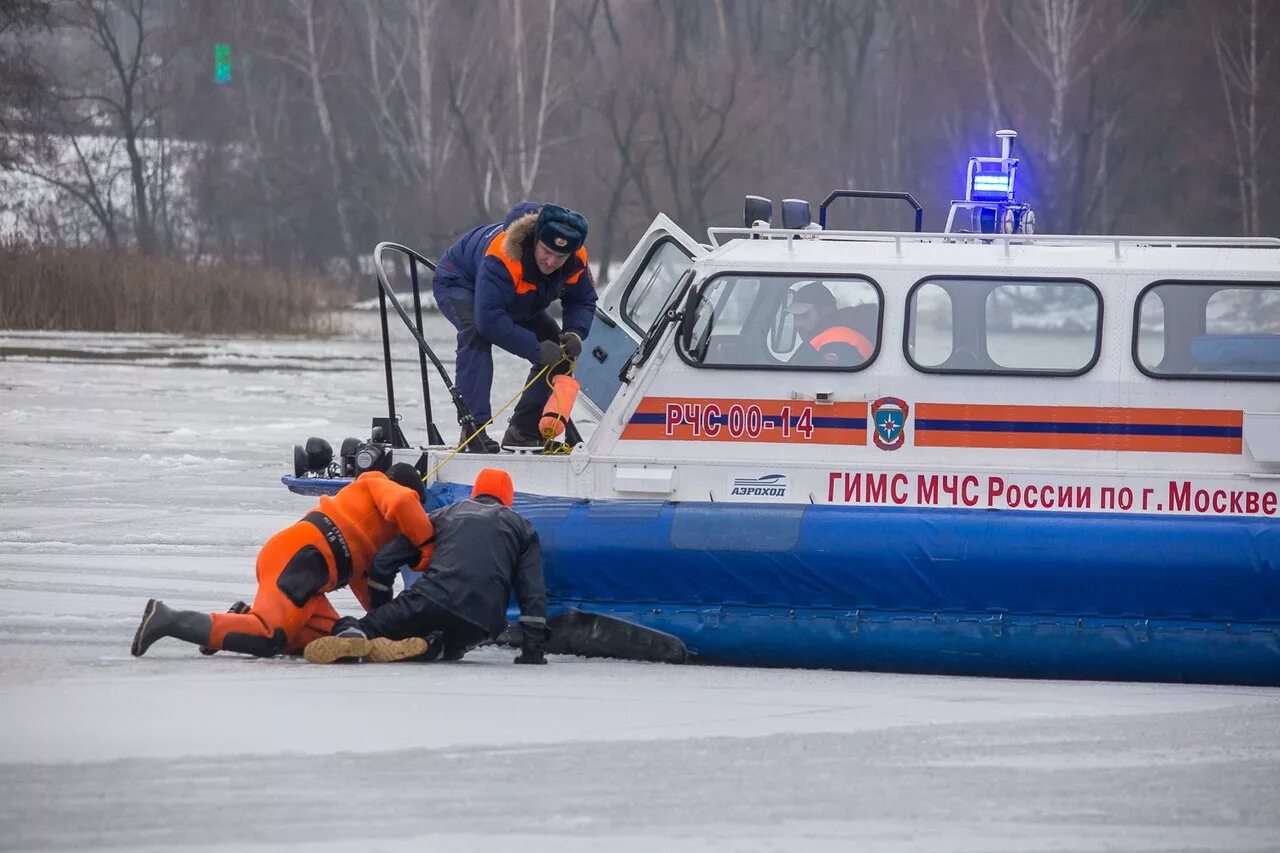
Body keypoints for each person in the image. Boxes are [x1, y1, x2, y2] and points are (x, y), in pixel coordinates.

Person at [130, 463, 436, 663]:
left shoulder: (369, 530)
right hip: (302, 557)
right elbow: (402, 502)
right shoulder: (377, 484)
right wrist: (425, 544)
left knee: (343, 639)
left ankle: (241, 618)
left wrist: (389, 622)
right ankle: (168, 619)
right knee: (270, 636)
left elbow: (364, 584)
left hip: (309, 567)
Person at [303, 468, 549, 666]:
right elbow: (533, 592)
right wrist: (532, 651)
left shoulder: (443, 515)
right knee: (456, 647)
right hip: (483, 620)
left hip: (431, 597)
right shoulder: (522, 528)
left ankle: (357, 635)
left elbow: (383, 562)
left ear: (474, 493)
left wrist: (380, 610)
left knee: (363, 625)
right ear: (508, 500)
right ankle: (435, 648)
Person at [432, 202, 596, 452]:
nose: (551, 261)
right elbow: (489, 321)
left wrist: (575, 332)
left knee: (557, 346)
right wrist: (535, 348)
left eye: (560, 257)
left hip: (515, 298)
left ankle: (523, 431)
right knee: (475, 333)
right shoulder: (504, 255)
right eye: (546, 252)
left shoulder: (576, 261)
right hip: (460, 282)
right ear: (534, 240)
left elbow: (582, 300)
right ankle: (473, 430)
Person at [787, 283, 873, 367]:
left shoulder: (837, 343)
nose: (796, 323)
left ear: (826, 311)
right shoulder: (820, 338)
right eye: (795, 315)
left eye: (804, 314)